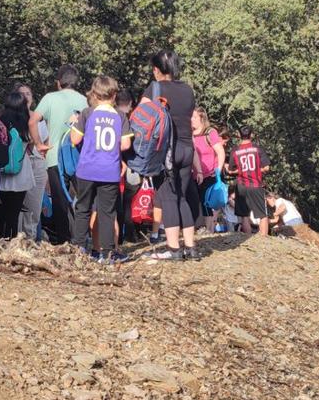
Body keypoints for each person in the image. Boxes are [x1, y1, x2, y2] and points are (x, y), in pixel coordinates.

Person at [140, 50, 199, 260]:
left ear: (156, 70)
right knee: (182, 196)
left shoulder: (154, 89)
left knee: (168, 198)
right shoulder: (187, 90)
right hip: (186, 148)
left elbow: (141, 117)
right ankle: (191, 248)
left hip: (166, 151)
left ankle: (174, 249)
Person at [69, 75, 132, 260]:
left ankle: (78, 249)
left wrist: (74, 123)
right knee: (107, 213)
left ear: (94, 94)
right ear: (114, 96)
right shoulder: (120, 116)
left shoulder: (87, 113)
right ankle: (107, 253)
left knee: (83, 209)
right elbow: (126, 144)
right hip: (109, 171)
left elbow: (75, 139)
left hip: (87, 169)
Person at [32, 65, 87, 244]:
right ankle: (82, 239)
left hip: (54, 156)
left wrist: (39, 144)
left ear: (58, 82)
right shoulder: (84, 100)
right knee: (84, 200)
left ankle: (64, 241)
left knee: (60, 201)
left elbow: (32, 121)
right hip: (80, 157)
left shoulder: (50, 98)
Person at [0, 90, 35, 239]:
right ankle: (10, 245)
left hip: (2, 173)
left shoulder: (0, 125)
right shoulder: (27, 125)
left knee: (0, 214)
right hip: (21, 172)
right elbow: (31, 148)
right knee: (14, 215)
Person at [14, 83, 48, 241]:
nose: (26, 96)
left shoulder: (39, 118)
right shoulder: (13, 118)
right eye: (22, 93)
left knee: (35, 206)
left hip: (38, 163)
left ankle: (31, 239)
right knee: (20, 205)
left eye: (29, 93)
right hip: (21, 164)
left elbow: (46, 141)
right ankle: (18, 239)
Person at [228, 126, 271, 237]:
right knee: (262, 214)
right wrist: (257, 170)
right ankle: (264, 239)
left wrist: (242, 170)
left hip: (241, 185)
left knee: (244, 214)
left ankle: (248, 238)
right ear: (251, 135)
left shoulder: (235, 150)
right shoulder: (257, 148)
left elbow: (231, 169)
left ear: (239, 134)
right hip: (256, 184)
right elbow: (266, 167)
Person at [191, 108, 226, 233]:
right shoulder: (189, 134)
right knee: (197, 202)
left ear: (202, 118)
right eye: (191, 117)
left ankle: (209, 230)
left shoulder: (210, 132)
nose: (192, 120)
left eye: (194, 117)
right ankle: (201, 229)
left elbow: (220, 151)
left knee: (207, 203)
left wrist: (218, 170)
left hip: (210, 173)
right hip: (194, 175)